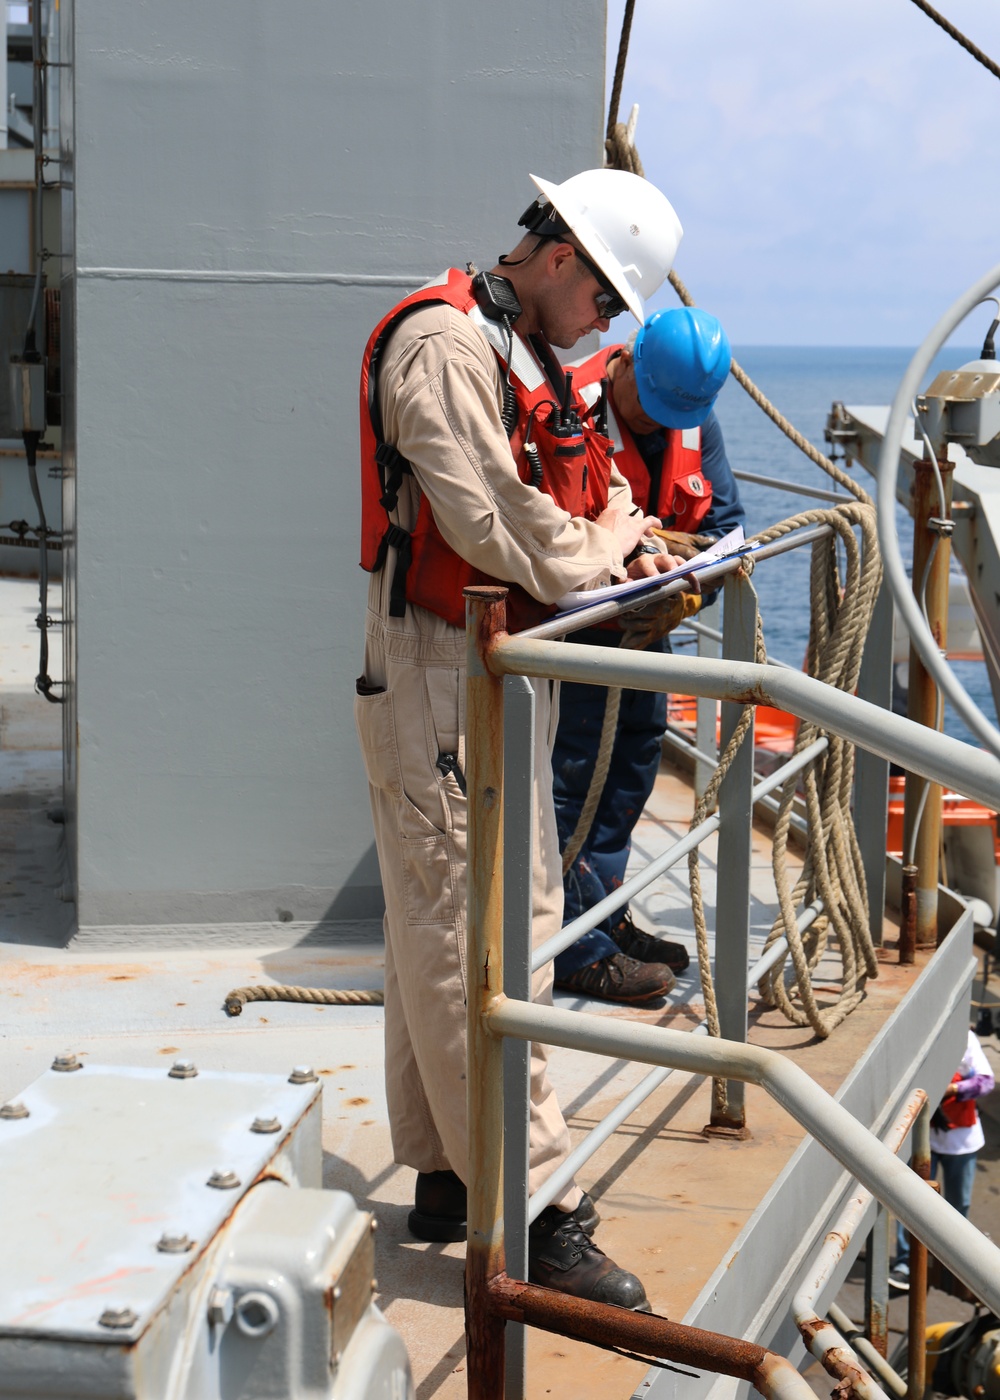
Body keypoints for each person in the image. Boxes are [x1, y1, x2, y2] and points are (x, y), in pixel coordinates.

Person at [354, 168, 688, 1310]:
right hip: (440, 663)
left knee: (439, 921)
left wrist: (621, 535)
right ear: (560, 261)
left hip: (487, 657)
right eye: (606, 298)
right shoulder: (445, 347)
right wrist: (605, 548)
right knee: (487, 928)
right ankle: (537, 1208)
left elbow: (561, 500)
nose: (608, 324)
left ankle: (450, 1170)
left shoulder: (524, 351)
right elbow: (491, 519)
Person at [550, 308, 745, 1003]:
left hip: (648, 640)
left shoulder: (690, 415)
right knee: (572, 783)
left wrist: (683, 597)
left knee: (631, 767)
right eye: (648, 408)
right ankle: (572, 945)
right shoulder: (564, 406)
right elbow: (545, 529)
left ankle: (603, 914)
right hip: (574, 642)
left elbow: (724, 529)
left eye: (675, 414)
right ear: (625, 361)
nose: (660, 424)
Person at [889, 1027, 994, 1291]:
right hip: (924, 1137)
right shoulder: (916, 1034)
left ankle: (954, 1262)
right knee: (914, 1202)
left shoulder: (965, 1038)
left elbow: (986, 1081)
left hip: (961, 1139)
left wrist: (951, 1088)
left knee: (959, 1204)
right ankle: (906, 1262)